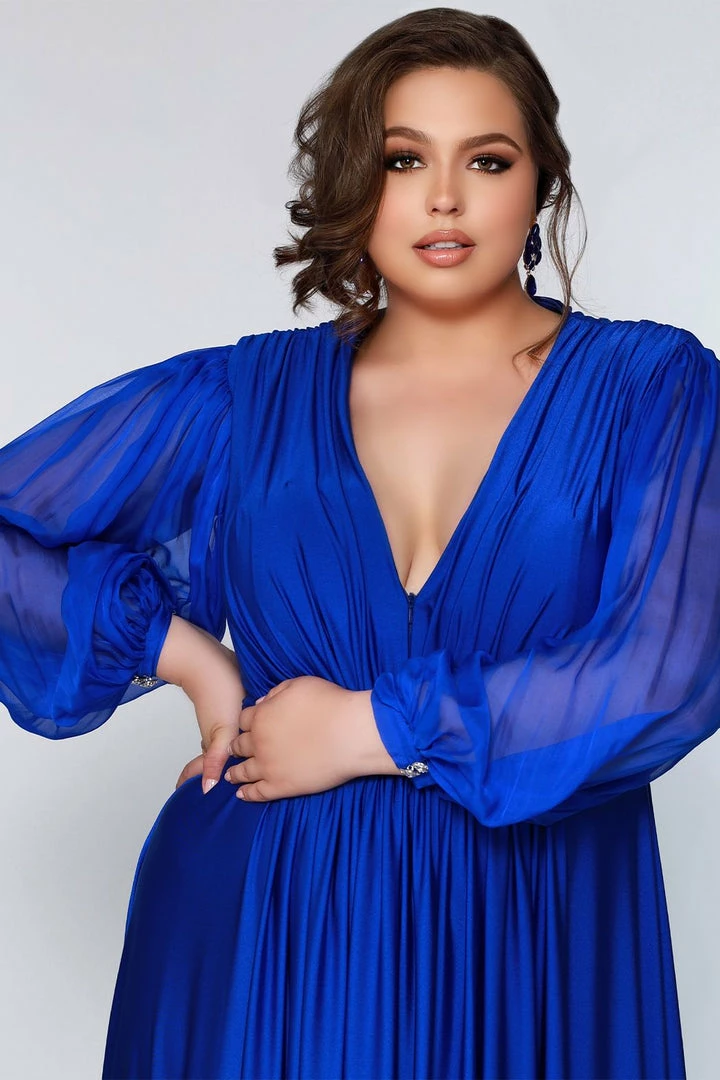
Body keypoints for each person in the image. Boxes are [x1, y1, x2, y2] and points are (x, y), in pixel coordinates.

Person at [1, 7, 719, 1078]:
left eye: (487, 159)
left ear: (541, 187)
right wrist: (189, 658)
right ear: (356, 183)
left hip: (533, 924)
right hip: (264, 926)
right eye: (402, 159)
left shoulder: (653, 390)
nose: (444, 196)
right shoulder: (244, 398)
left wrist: (375, 726)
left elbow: (666, 672)